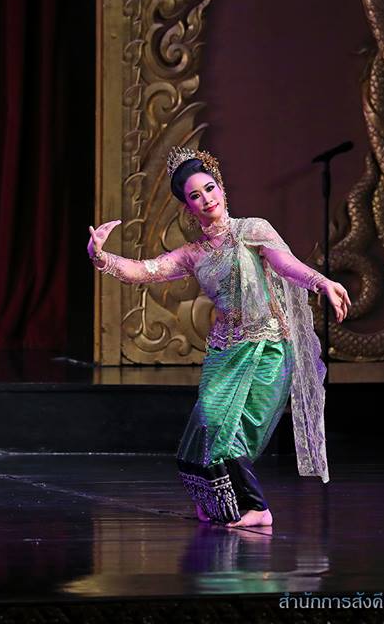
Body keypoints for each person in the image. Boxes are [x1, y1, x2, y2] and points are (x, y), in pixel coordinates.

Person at [87, 148, 350, 527]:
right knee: (206, 427)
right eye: (195, 196)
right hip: (224, 353)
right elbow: (146, 270)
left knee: (231, 432)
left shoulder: (253, 230)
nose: (206, 199)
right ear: (188, 207)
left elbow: (285, 264)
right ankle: (216, 504)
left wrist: (321, 282)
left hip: (267, 347)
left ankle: (257, 509)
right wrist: (101, 257)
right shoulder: (193, 254)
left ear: (221, 189)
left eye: (210, 189)